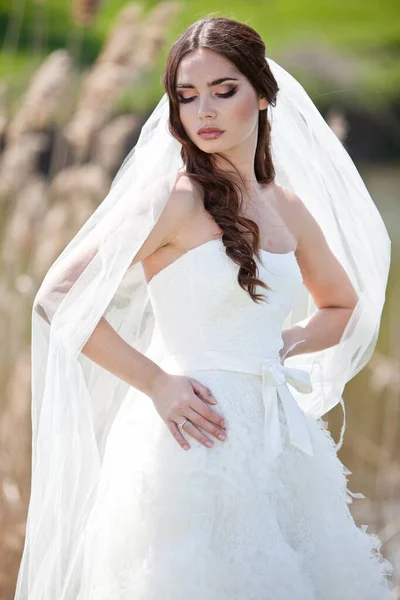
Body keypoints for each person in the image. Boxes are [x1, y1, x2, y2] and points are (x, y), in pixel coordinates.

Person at [15, 16, 393, 600]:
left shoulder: (285, 207)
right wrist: (157, 384)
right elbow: (57, 295)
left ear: (264, 97)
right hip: (193, 442)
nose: (205, 112)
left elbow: (341, 304)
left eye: (224, 90)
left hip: (278, 440)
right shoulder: (173, 200)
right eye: (187, 97)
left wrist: (286, 342)